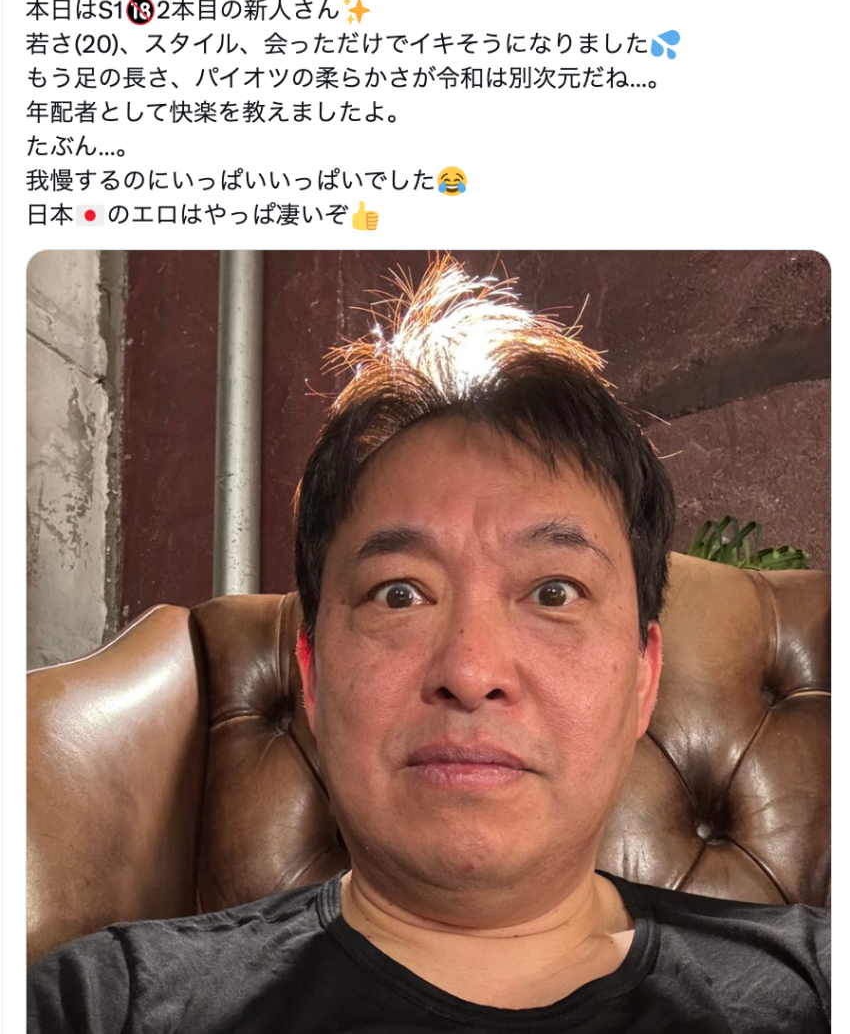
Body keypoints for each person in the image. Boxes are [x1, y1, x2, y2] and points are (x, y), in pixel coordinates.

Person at [28, 258, 829, 1031]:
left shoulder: (820, 984)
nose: (471, 672)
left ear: (644, 679)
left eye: (554, 592)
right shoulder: (108, 1004)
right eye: (400, 593)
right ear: (312, 674)